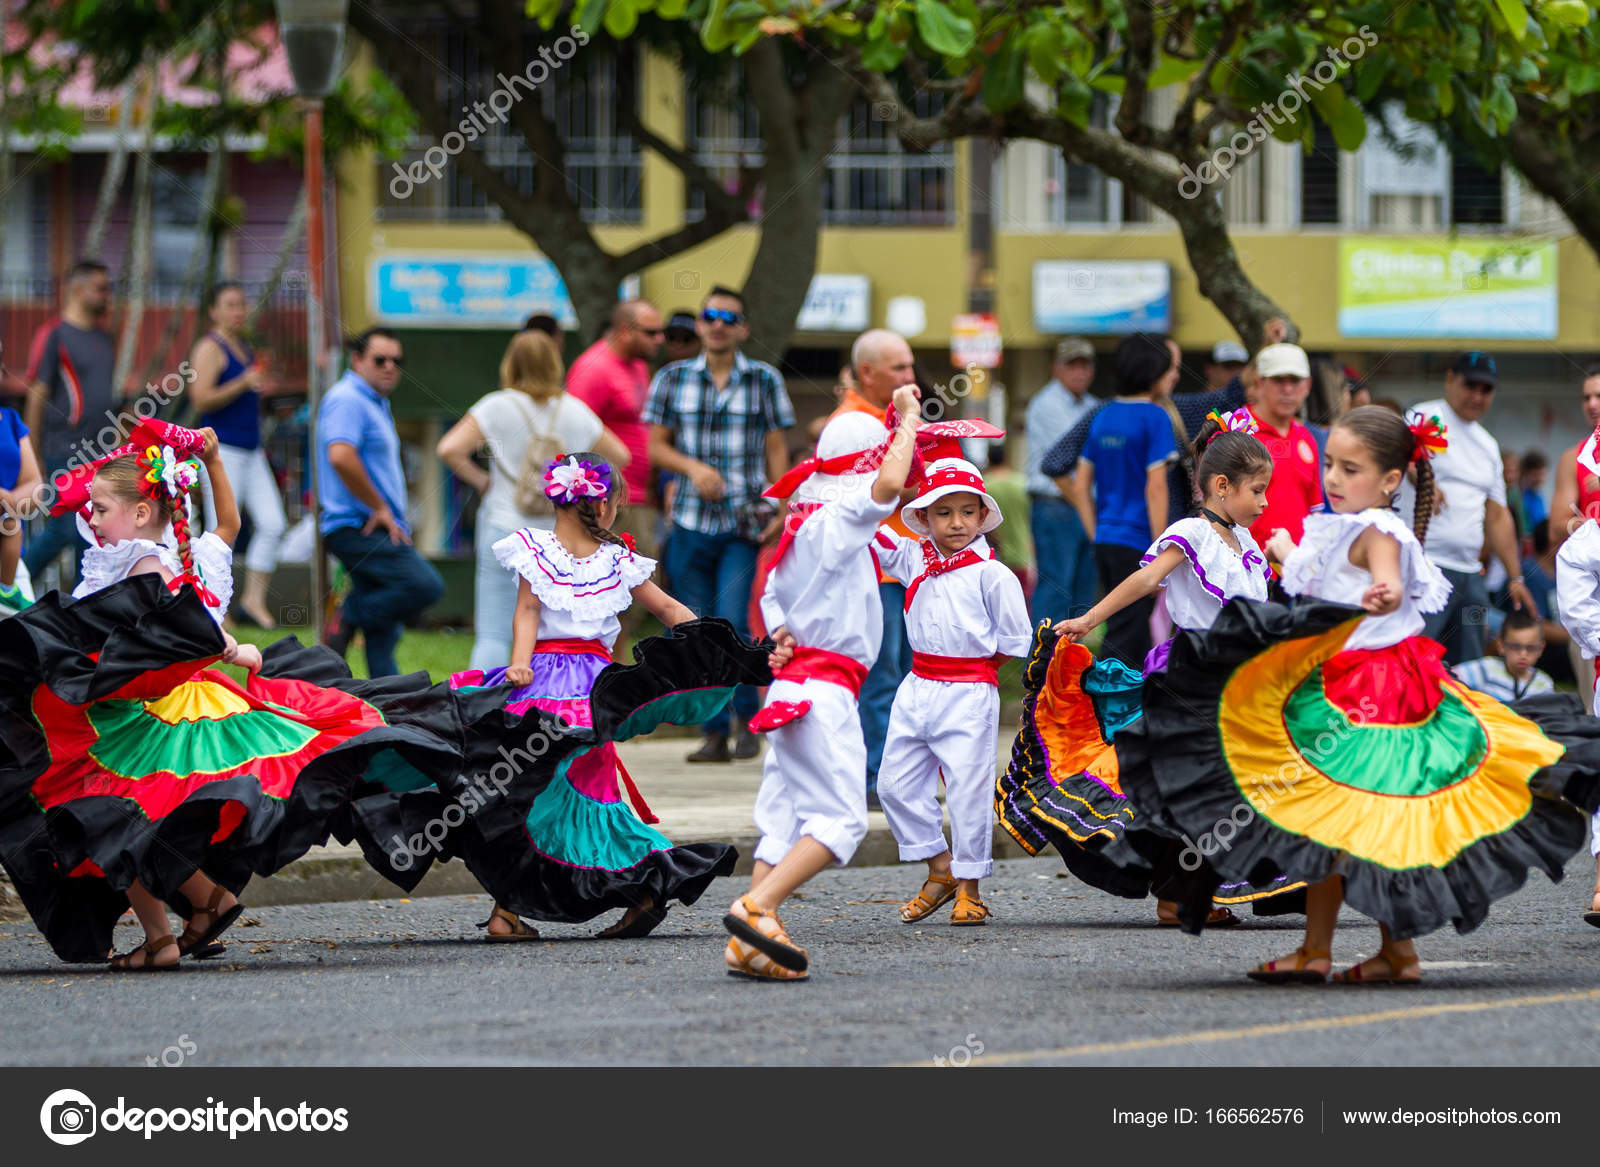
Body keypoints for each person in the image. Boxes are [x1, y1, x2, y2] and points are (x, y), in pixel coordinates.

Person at [1115, 406, 1595, 986]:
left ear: (1391, 481)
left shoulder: (1380, 530)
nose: (1334, 479)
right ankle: (1337, 949)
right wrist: (1289, 549)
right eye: (1332, 467)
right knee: (1335, 819)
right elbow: (1316, 578)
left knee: (1357, 818)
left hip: (1375, 694)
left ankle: (1376, 949)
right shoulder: (1340, 527)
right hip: (1340, 684)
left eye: (1351, 469)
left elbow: (1386, 579)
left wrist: (1384, 592)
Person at [0, 419, 490, 967]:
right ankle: (204, 903)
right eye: (89, 508)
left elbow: (182, 635)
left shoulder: (146, 566)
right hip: (147, 705)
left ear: (141, 513)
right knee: (122, 817)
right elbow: (228, 524)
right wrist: (211, 462)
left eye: (98, 509)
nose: (88, 518)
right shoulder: (164, 556)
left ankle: (170, 930)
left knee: (110, 813)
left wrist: (233, 649)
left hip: (153, 714)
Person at [447, 452, 741, 940]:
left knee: (545, 789)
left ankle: (520, 906)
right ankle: (628, 891)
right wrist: (519, 661)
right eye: (617, 502)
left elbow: (668, 608)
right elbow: (527, 610)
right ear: (601, 505)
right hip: (555, 680)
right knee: (552, 788)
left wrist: (715, 641)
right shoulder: (535, 552)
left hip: (582, 687)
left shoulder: (619, 560)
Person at [1003, 409, 1281, 926]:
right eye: (1257, 490)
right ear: (1221, 486)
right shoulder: (1192, 534)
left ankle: (1193, 890)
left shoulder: (1245, 545)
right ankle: (1180, 895)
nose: (1265, 502)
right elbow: (1144, 580)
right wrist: (1088, 618)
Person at [720, 389, 921, 980]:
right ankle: (754, 908)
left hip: (793, 690)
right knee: (843, 823)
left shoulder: (802, 525)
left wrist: (781, 631)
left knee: (783, 821)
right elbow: (886, 485)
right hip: (821, 693)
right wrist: (908, 419)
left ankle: (751, 938)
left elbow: (772, 600)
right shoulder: (836, 518)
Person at [874, 459, 1031, 927]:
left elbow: (1015, 639)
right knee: (893, 785)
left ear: (983, 517)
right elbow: (869, 534)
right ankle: (940, 869)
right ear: (923, 516)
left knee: (968, 792)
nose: (957, 522)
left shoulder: (993, 574)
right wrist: (875, 470)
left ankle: (970, 889)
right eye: (944, 513)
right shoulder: (912, 558)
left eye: (967, 511)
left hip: (969, 692)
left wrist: (974, 672)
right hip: (916, 687)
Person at [645, 286, 794, 764]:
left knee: (732, 621)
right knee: (697, 629)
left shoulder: (764, 380)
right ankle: (714, 733)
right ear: (701, 325)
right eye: (710, 316)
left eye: (729, 317)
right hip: (690, 520)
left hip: (743, 521)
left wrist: (783, 507)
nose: (718, 324)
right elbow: (655, 447)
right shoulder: (671, 378)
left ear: (743, 328)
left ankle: (748, 721)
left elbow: (776, 450)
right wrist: (692, 469)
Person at [437, 329, 628, 672]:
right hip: (559, 539)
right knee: (553, 631)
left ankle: (482, 707)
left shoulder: (495, 405)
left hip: (502, 527)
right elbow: (621, 456)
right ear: (556, 364)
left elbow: (448, 448)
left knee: (494, 632)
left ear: (511, 363)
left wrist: (483, 480)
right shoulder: (575, 411)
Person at [317, 328, 445, 677]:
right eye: (379, 360)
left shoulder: (374, 401)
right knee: (424, 585)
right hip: (357, 526)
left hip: (376, 525)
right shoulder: (348, 399)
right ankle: (350, 612)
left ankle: (384, 705)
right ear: (357, 360)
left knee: (383, 635)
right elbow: (341, 456)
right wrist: (378, 506)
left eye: (397, 361)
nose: (390, 367)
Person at [830, 328, 918, 800]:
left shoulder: (886, 418)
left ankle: (893, 777)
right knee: (883, 678)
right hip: (873, 569)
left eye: (909, 365)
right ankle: (875, 779)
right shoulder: (853, 424)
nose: (911, 377)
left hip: (899, 567)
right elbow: (877, 492)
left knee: (904, 676)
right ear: (867, 372)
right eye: (899, 368)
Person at [1414, 352, 1536, 665]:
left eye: (1486, 389)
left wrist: (1516, 577)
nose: (1477, 396)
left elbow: (1497, 515)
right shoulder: (1424, 416)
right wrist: (1425, 478)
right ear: (1450, 379)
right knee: (1416, 663)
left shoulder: (1488, 445)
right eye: (1471, 385)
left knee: (1468, 668)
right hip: (1426, 567)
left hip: (1471, 576)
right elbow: (1394, 461)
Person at [1068, 333, 1179, 669]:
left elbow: (1080, 483)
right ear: (1153, 372)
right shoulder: (1155, 417)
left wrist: (1094, 531)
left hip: (1106, 539)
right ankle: (1108, 707)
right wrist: (1160, 549)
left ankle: (1126, 706)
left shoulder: (1102, 415)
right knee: (1128, 633)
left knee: (1124, 625)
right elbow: (1156, 488)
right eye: (1169, 369)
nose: (1173, 375)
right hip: (1140, 541)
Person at [188, 282, 287, 629]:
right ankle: (217, 608)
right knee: (221, 532)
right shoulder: (209, 347)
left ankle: (252, 600)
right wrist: (244, 383)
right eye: (229, 305)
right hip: (222, 451)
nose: (238, 312)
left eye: (241, 304)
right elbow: (201, 399)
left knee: (274, 523)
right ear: (213, 311)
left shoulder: (243, 346)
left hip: (252, 449)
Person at [22, 260, 116, 589]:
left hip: (101, 451)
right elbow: (37, 396)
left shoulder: (105, 339)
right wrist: (31, 459)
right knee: (63, 529)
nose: (108, 295)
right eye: (101, 288)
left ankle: (80, 609)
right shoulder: (54, 335)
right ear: (78, 290)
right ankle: (11, 585)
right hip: (63, 450)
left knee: (90, 535)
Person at [566, 300, 663, 559]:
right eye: (651, 332)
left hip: (640, 499)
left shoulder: (639, 366)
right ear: (625, 330)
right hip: (613, 502)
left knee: (642, 582)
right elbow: (574, 436)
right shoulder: (594, 368)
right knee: (628, 587)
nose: (660, 339)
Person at [1025, 337, 1099, 624]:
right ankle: (1040, 660)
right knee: (1056, 588)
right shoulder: (1047, 404)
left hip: (1084, 506)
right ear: (1056, 369)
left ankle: (1069, 662)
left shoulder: (1093, 405)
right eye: (1072, 365)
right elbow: (1071, 460)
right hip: (1055, 506)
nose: (1079, 371)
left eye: (1085, 364)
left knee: (1082, 591)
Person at [1547, 363, 1600, 712]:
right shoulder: (1574, 456)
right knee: (1592, 710)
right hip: (1592, 598)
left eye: (1599, 395)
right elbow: (1557, 525)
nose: (1592, 403)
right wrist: (1581, 529)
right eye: (1586, 397)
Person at [1245, 342, 1324, 550]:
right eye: (1278, 380)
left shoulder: (1307, 437)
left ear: (1307, 386)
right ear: (1259, 383)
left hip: (1296, 567)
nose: (1288, 389)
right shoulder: (1239, 431)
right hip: (1247, 569)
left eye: (1295, 381)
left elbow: (1315, 512)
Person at [1453, 607, 1555, 702]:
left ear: (1541, 649)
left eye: (1531, 648)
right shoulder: (1487, 668)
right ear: (1501, 646)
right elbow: (1447, 678)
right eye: (1515, 647)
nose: (1523, 654)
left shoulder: (1544, 684)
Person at [0, 386, 41, 615]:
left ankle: (6, 589)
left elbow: (35, 485)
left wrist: (8, 499)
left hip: (9, 560)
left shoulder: (11, 420)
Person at [982, 443, 1033, 598]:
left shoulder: (983, 485)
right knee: (1022, 600)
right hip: (1020, 553)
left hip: (992, 554)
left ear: (988, 458)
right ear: (1006, 458)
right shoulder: (1022, 483)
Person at [1520, 449, 1550, 539]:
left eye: (1542, 474)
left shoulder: (1539, 494)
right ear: (1525, 473)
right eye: (1536, 474)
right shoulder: (1519, 497)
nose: (1540, 479)